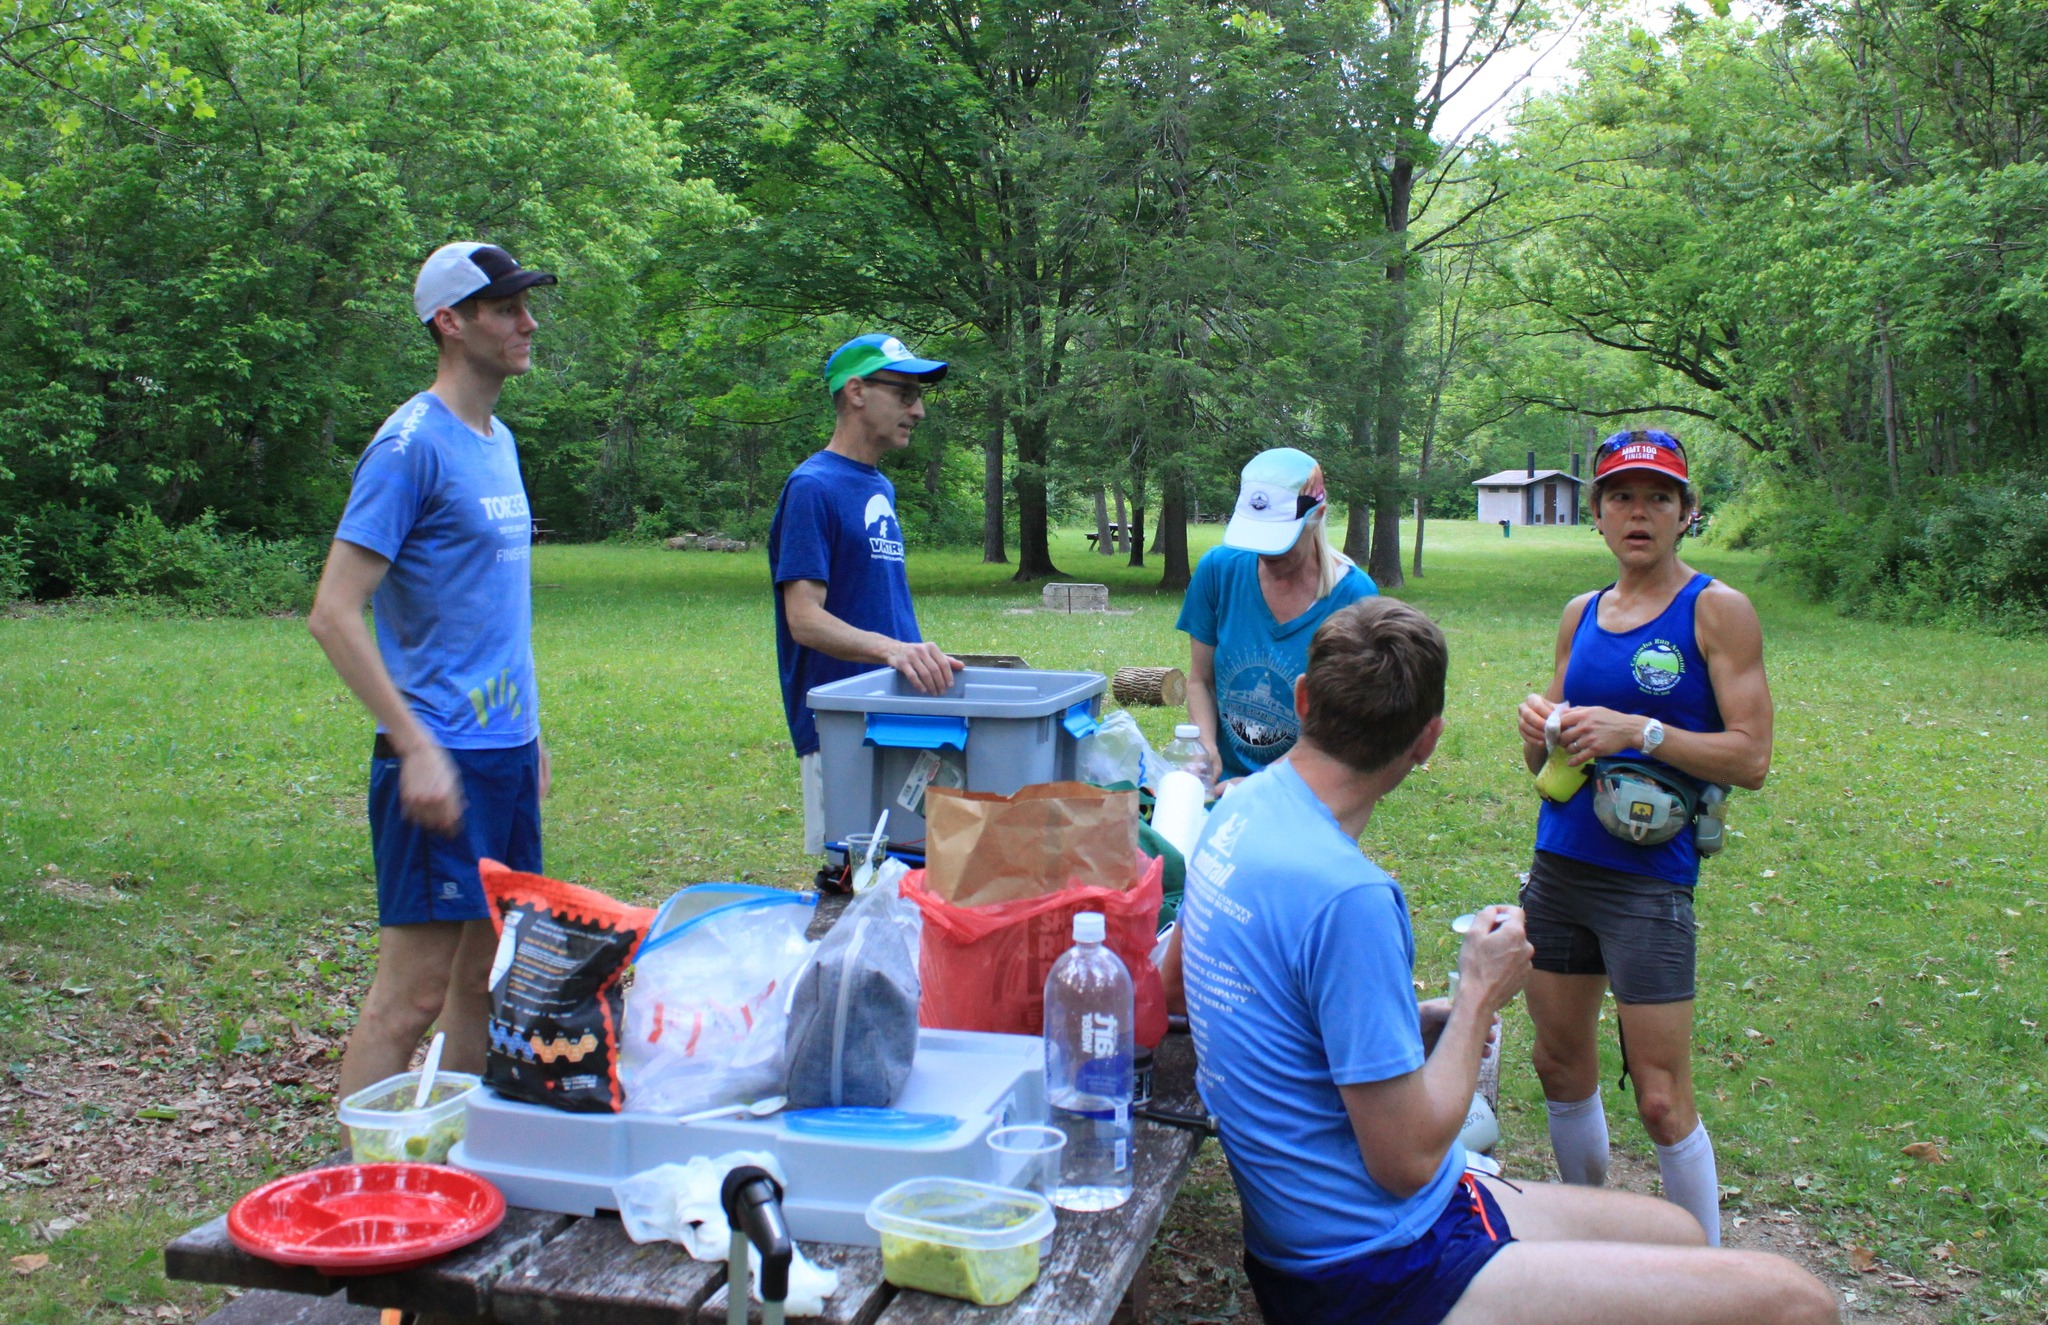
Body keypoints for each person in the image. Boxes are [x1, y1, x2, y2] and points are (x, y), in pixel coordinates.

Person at [1173, 597, 1831, 1325]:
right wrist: (1481, 994)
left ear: (1303, 699)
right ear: (1428, 740)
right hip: (1371, 1268)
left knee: (1680, 1231)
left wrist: (1419, 1021)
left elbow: (1223, 994)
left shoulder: (1235, 809)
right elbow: (1407, 1159)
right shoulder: (1347, 895)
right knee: (1797, 1303)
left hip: (1340, 1227)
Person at [308, 242, 558, 1103]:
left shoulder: (500, 441)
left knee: (483, 975)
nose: (528, 323)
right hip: (439, 752)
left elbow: (493, 608)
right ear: (450, 323)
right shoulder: (408, 446)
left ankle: (445, 1162)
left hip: (502, 751)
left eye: (528, 305)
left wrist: (533, 734)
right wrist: (412, 745)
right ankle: (358, 1190)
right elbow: (334, 611)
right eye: (505, 308)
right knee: (409, 996)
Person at [1515, 429, 1774, 1245]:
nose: (1639, 512)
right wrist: (1537, 727)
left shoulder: (1717, 610)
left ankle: (1708, 1272)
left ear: (1686, 513)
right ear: (1597, 515)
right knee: (1560, 1068)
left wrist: (1645, 733)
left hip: (1649, 881)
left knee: (1661, 1096)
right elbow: (1544, 758)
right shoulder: (1579, 614)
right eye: (1622, 496)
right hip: (1560, 863)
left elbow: (1753, 756)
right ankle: (1591, 1240)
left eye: (1659, 497)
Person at [769, 334, 961, 854]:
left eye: (919, 396)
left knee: (910, 868)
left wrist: (919, 657)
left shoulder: (878, 486)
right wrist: (893, 650)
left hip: (900, 713)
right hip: (843, 725)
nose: (917, 410)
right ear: (855, 391)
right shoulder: (812, 487)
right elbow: (804, 618)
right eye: (904, 393)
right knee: (852, 882)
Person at [1177, 447, 1376, 787]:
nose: (1266, 553)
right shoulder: (1219, 570)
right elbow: (1201, 680)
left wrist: (1257, 786)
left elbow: (1342, 732)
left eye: (1279, 539)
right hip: (1221, 788)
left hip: (1307, 791)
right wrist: (1205, 746)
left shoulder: (1355, 599)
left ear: (1317, 515)